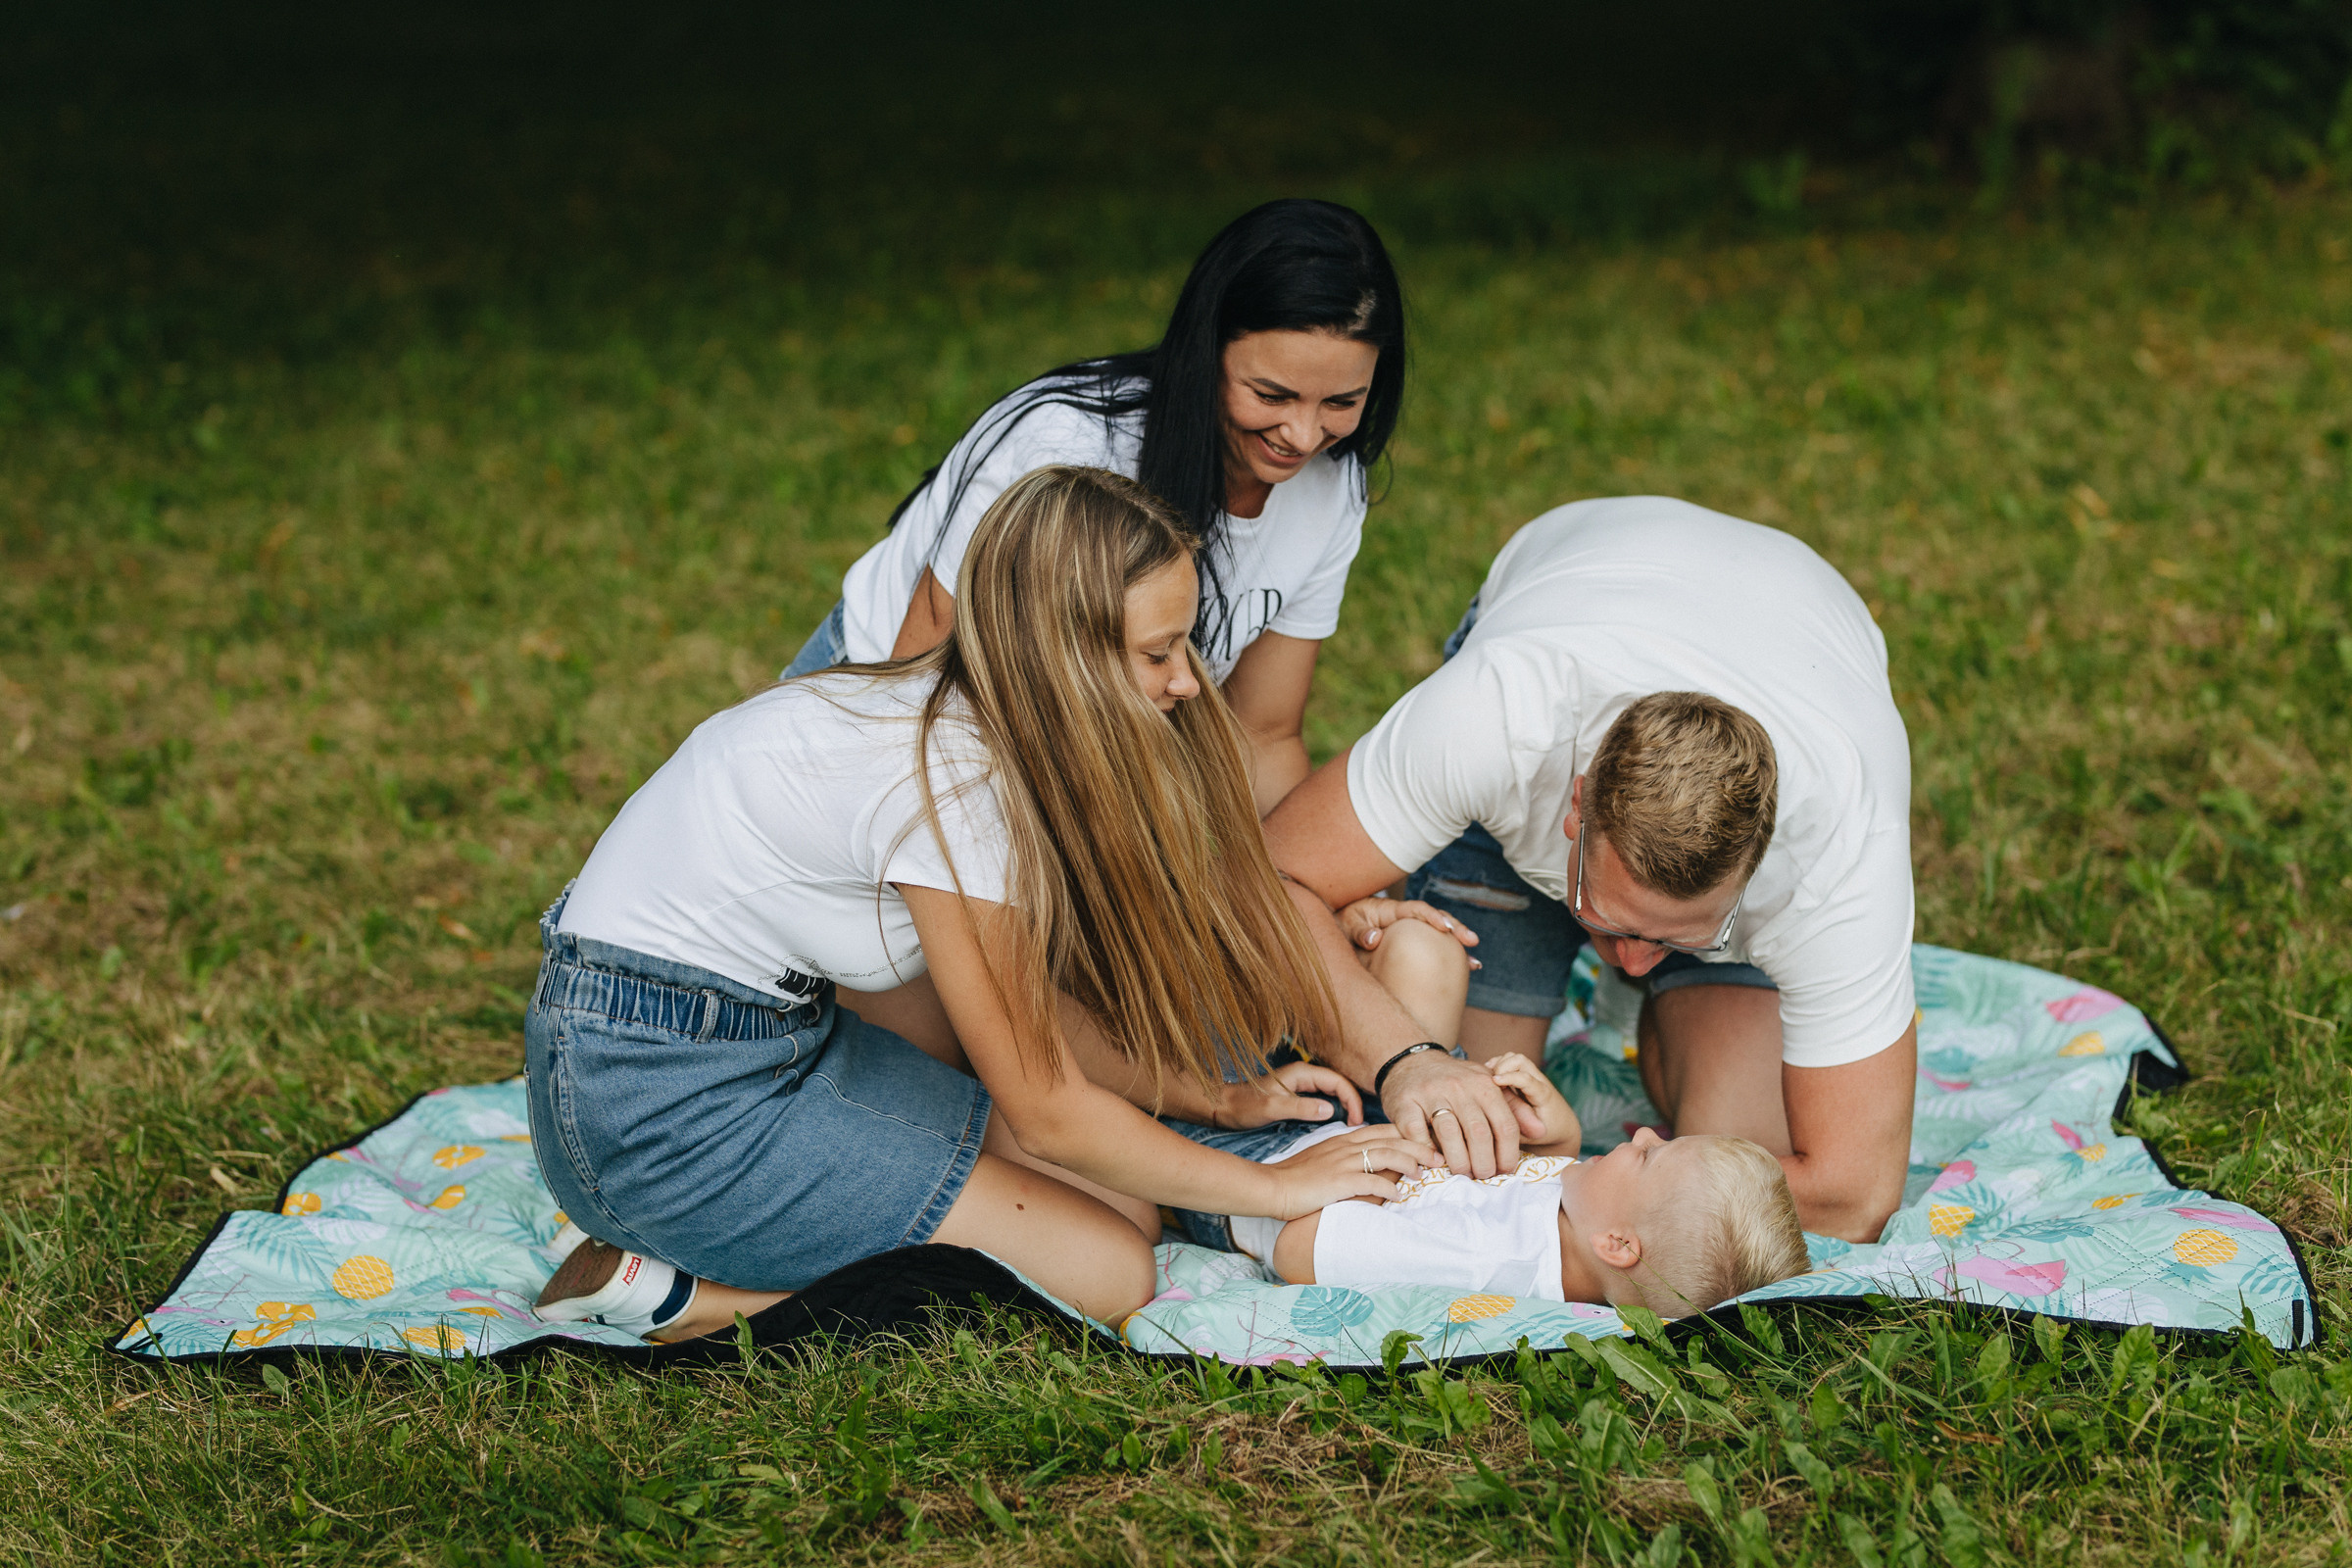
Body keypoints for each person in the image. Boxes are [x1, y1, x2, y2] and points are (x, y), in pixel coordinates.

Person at [526, 466, 1438, 1343]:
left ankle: (692, 1256)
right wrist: (1280, 1191)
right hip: (653, 1103)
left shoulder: (957, 713)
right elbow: (1046, 1108)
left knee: (1119, 1203)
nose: (1188, 683)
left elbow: (1027, 1026)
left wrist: (1224, 1101)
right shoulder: (957, 780)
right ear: (1061, 659)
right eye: (1158, 653)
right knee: (1108, 1273)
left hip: (747, 1046)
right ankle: (679, 1295)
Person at [1263, 496, 1919, 1244]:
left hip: (1806, 623)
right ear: (1573, 812)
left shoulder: (1840, 846)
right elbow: (1263, 885)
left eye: (1680, 937)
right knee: (1468, 1121)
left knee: (1731, 1170)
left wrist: (1562, 1177)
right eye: (1611, 921)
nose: (1634, 961)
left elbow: (1851, 1198)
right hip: (1574, 582)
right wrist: (1406, 1061)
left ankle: (1683, 992)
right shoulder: (1497, 721)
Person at [783, 198, 1406, 816]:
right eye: (1271, 394)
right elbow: (929, 689)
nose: (1302, 435)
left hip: (1077, 768)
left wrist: (1312, 885)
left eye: (1342, 402)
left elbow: (1261, 736)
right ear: (1205, 354)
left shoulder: (1333, 487)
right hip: (887, 721)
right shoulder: (1065, 443)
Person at [1231, 1054, 1808, 1317]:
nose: (1645, 1137)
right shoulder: (1581, 1225)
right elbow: (1526, 1186)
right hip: (1341, 1119)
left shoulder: (1482, 1264)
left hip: (1257, 1166)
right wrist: (1559, 1136)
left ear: (1618, 1245)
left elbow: (1297, 1250)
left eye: (1650, 1158)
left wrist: (1377, 1167)